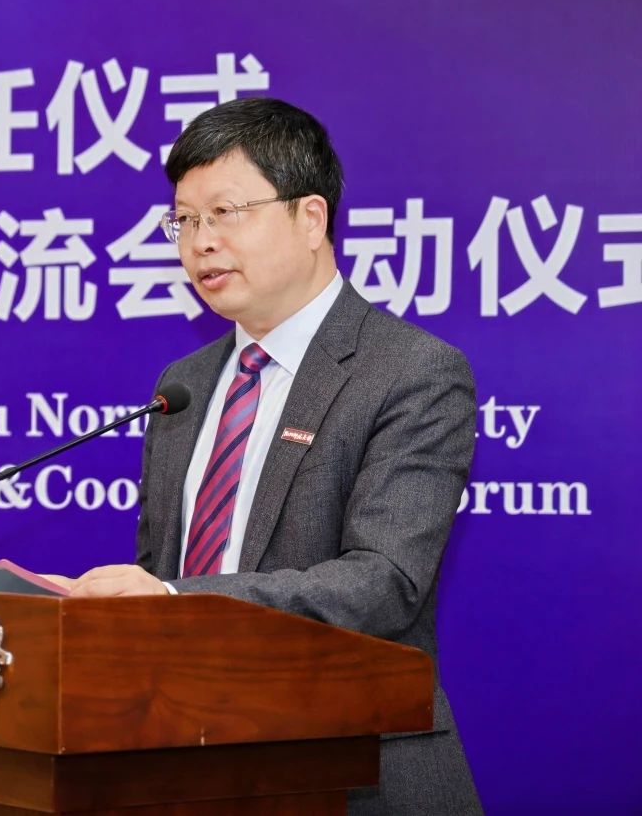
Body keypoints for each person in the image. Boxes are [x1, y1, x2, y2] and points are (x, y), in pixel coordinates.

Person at [62, 98, 482, 814]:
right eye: (184, 220)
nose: (200, 242)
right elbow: (162, 569)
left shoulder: (411, 372)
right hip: (185, 760)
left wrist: (175, 602)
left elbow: (383, 584)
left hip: (349, 768)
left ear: (311, 218)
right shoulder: (185, 384)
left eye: (225, 212)